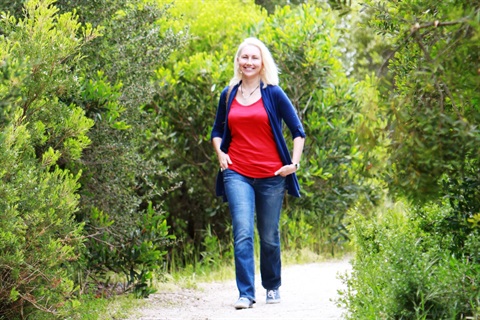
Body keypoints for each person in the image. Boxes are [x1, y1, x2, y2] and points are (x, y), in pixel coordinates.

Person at [210, 37, 306, 310]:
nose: (249, 62)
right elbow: (217, 131)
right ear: (238, 62)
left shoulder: (273, 93)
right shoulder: (228, 94)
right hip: (236, 172)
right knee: (242, 231)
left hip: (272, 174)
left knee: (268, 235)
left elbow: (298, 132)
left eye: (254, 58)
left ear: (262, 62)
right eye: (244, 57)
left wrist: (293, 164)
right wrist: (221, 152)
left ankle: (272, 285)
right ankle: (246, 293)